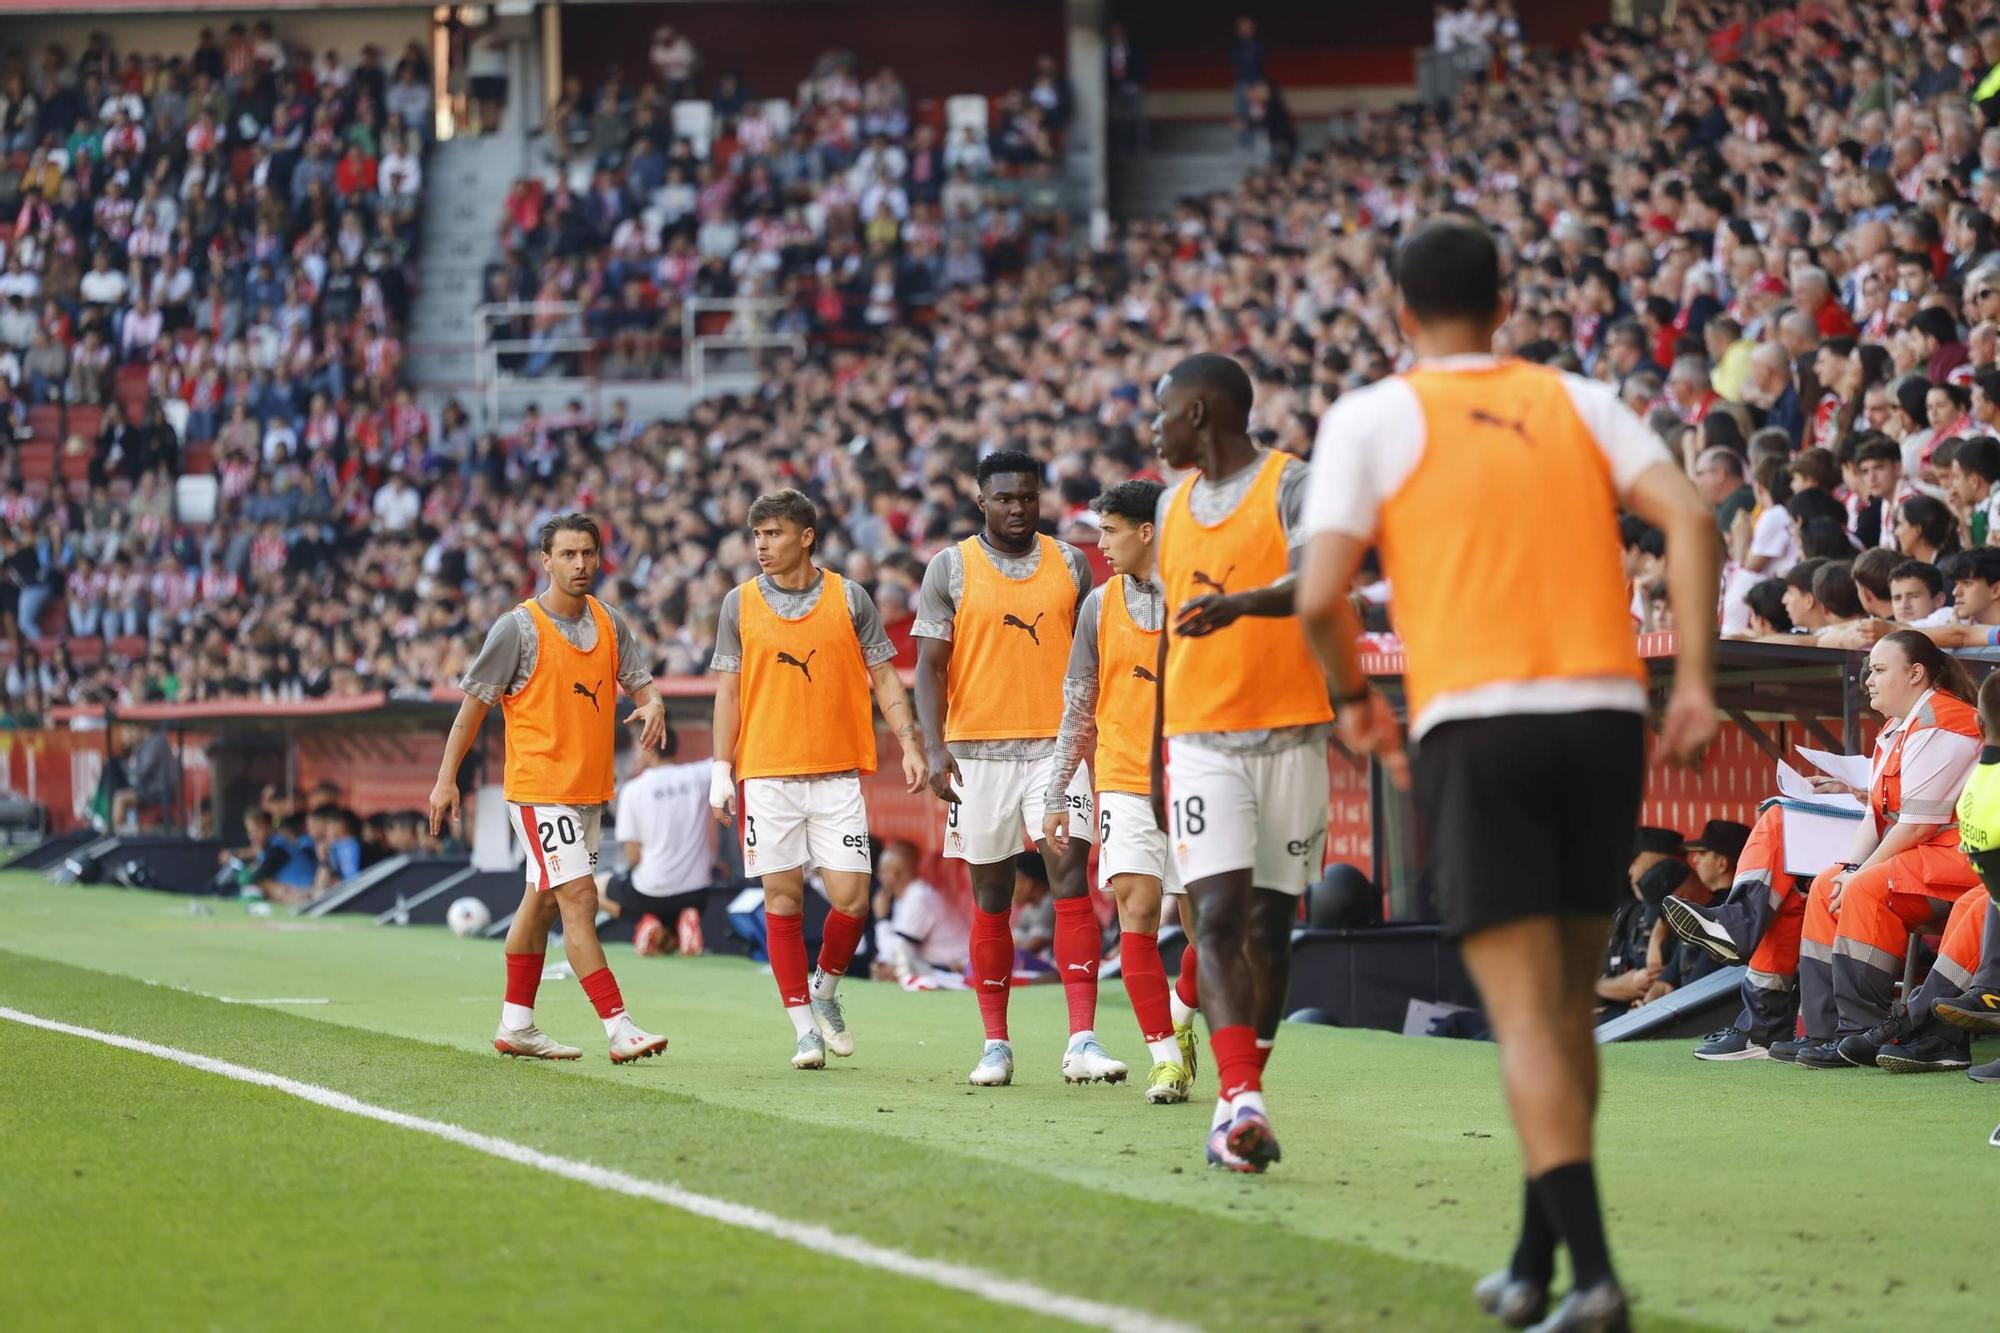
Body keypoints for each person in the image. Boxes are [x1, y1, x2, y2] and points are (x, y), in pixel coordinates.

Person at [1297, 216, 1719, 1330]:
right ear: (1506, 303)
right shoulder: (1577, 399)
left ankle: (1592, 1278)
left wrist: (1350, 702)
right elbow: (1687, 518)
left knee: (1528, 1018)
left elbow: (1315, 592)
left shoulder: (1374, 415)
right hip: (1598, 716)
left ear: (1398, 311)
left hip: (1475, 727)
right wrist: (1692, 682)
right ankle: (1532, 1263)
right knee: (1566, 1013)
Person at [1149, 351, 1334, 1174]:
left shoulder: (1293, 483)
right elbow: (1168, 639)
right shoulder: (1169, 503)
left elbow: (1321, 579)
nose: (1153, 430)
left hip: (1292, 732)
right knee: (1215, 919)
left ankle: (1234, 1105)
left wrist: (1242, 606)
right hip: (1200, 741)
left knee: (1270, 926)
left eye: (1162, 413)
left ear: (1200, 413)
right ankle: (1244, 1098)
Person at [1667, 632, 1982, 1066]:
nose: (1867, 679)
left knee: (1863, 884)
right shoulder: (1897, 727)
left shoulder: (1943, 720)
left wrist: (1860, 872)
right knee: (1826, 883)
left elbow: (1917, 824)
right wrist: (1850, 866)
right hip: (1925, 857)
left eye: (1878, 669)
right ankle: (1825, 1032)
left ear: (1915, 674)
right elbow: (1876, 817)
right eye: (1869, 669)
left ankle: (1861, 1032)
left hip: (1962, 857)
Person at [431, 512, 672, 1065]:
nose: (580, 564)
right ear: (546, 561)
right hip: (539, 789)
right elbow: (471, 711)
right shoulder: (517, 628)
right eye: (568, 554)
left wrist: (653, 702)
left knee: (538, 905)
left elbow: (641, 684)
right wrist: (447, 780)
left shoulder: (611, 622)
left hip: (588, 792)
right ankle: (619, 1027)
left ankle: (516, 1025)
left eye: (588, 553)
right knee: (579, 901)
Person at [709, 489, 926, 1070]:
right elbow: (727, 691)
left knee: (853, 898)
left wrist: (908, 743)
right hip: (768, 774)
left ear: (806, 536)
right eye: (757, 536)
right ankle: (803, 1025)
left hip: (836, 775)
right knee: (780, 900)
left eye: (774, 534)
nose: (762, 546)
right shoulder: (738, 603)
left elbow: (884, 676)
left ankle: (826, 989)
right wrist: (719, 769)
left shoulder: (849, 598)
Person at [912, 449, 1101, 1088]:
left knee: (1070, 874)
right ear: (980, 499)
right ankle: (997, 1044)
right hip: (976, 752)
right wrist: (934, 747)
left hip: (1056, 746)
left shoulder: (1071, 562)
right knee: (992, 896)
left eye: (1027, 497)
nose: (1017, 508)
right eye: (1004, 498)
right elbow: (930, 667)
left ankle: (1083, 1039)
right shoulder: (950, 567)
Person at [1041, 478, 1202, 1104]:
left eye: (1109, 530)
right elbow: (1080, 707)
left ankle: (1182, 1015)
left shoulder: (1200, 598)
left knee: (1211, 934)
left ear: (1147, 531)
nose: (1098, 543)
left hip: (1197, 780)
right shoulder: (1097, 607)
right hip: (1126, 780)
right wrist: (1057, 791)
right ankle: (1163, 1057)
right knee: (1135, 910)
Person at [603, 722, 715, 957]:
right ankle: (682, 923)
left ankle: (644, 921)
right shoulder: (700, 775)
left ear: (649, 749)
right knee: (668, 934)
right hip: (697, 892)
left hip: (651, 892)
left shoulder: (633, 791)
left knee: (591, 887)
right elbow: (731, 756)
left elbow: (633, 857)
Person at [871, 839, 968, 982]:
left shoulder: (919, 897)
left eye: (882, 872)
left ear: (894, 875)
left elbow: (897, 953)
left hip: (958, 970)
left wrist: (881, 919)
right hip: (933, 967)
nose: (880, 878)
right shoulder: (907, 896)